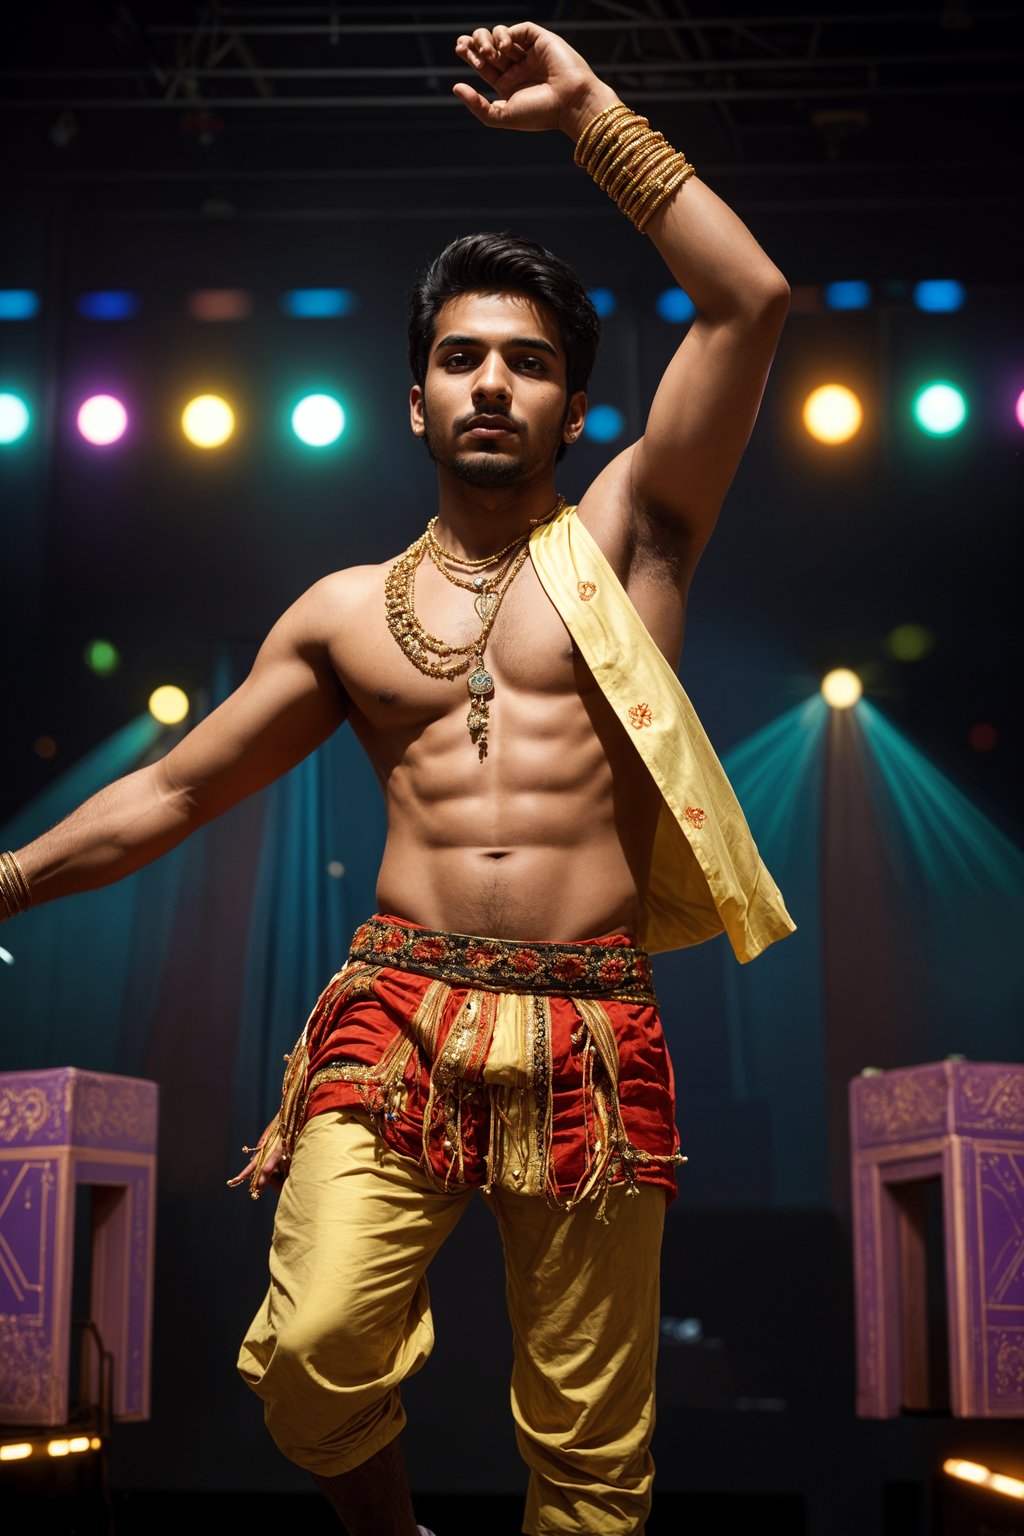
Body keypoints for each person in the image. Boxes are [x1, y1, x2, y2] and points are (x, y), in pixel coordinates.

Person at [0, 22, 796, 1536]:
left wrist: (591, 119)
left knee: (588, 1450)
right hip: (395, 1013)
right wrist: (10, 875)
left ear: (574, 406)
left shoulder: (637, 538)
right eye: (462, 358)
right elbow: (172, 793)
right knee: (311, 1353)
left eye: (533, 364)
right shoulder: (343, 612)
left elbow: (750, 299)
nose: (495, 382)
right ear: (415, 401)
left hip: (590, 1018)